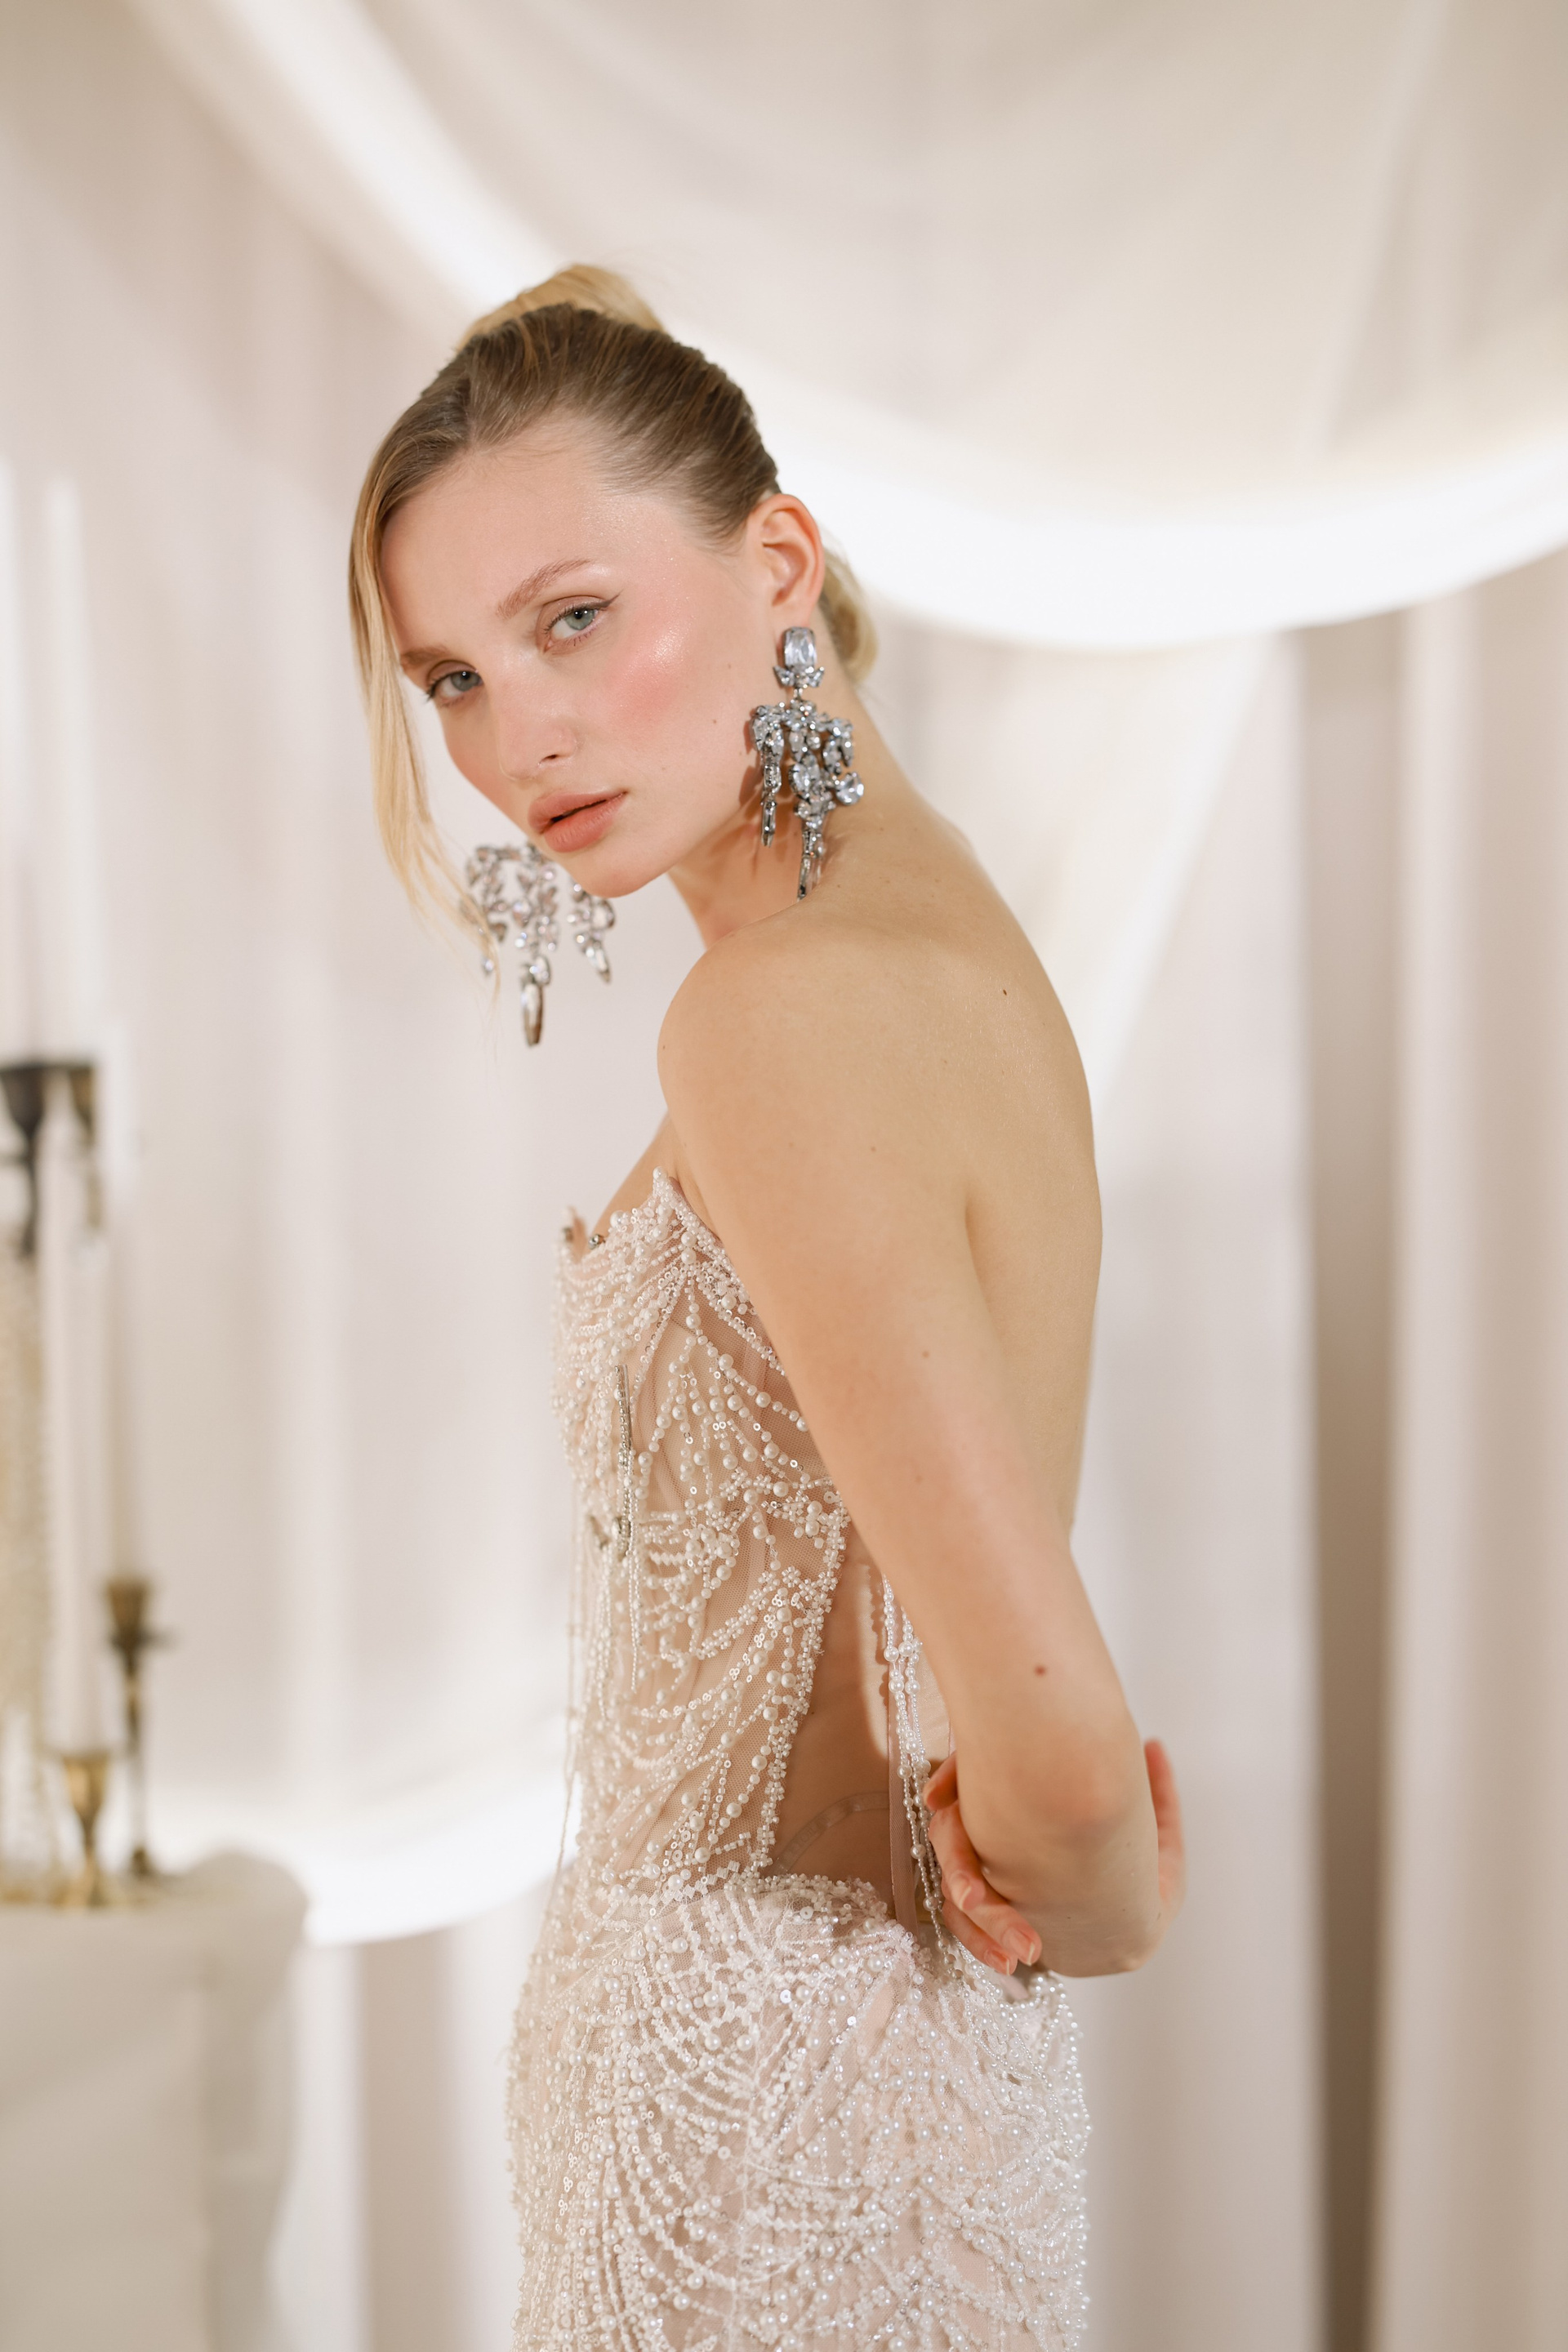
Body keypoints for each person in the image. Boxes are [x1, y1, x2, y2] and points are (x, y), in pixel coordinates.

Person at [350, 267, 1185, 2350]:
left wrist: (1105, 1893)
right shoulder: (948, 941)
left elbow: (1067, 1763)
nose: (515, 738)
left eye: (572, 620)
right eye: (449, 677)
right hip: (871, 2086)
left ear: (779, 564)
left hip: (762, 2114)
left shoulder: (776, 1016)